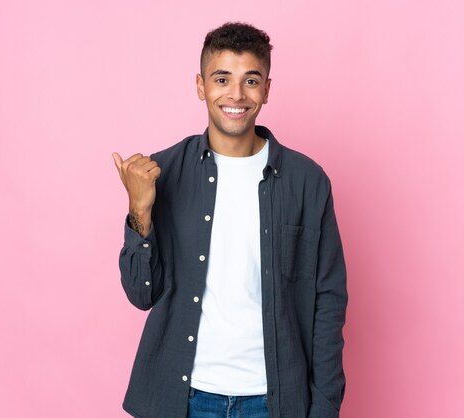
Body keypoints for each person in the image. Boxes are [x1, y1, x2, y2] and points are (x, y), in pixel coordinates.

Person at [112, 22, 348, 418]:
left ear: (267, 89)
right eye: (222, 78)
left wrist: (324, 408)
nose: (236, 94)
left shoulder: (308, 182)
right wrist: (140, 210)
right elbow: (141, 294)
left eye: (250, 80)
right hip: (185, 399)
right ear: (201, 86)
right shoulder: (163, 171)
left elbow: (329, 303)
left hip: (275, 401)